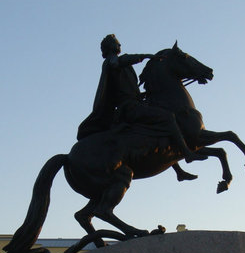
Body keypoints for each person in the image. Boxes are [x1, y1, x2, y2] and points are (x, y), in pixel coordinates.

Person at [77, 34, 205, 164]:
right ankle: (186, 153)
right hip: (129, 108)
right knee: (167, 117)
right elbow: (119, 62)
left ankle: (178, 169)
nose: (119, 45)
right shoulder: (111, 61)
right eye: (117, 43)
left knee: (158, 129)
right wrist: (144, 56)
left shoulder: (121, 65)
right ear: (110, 46)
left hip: (135, 103)